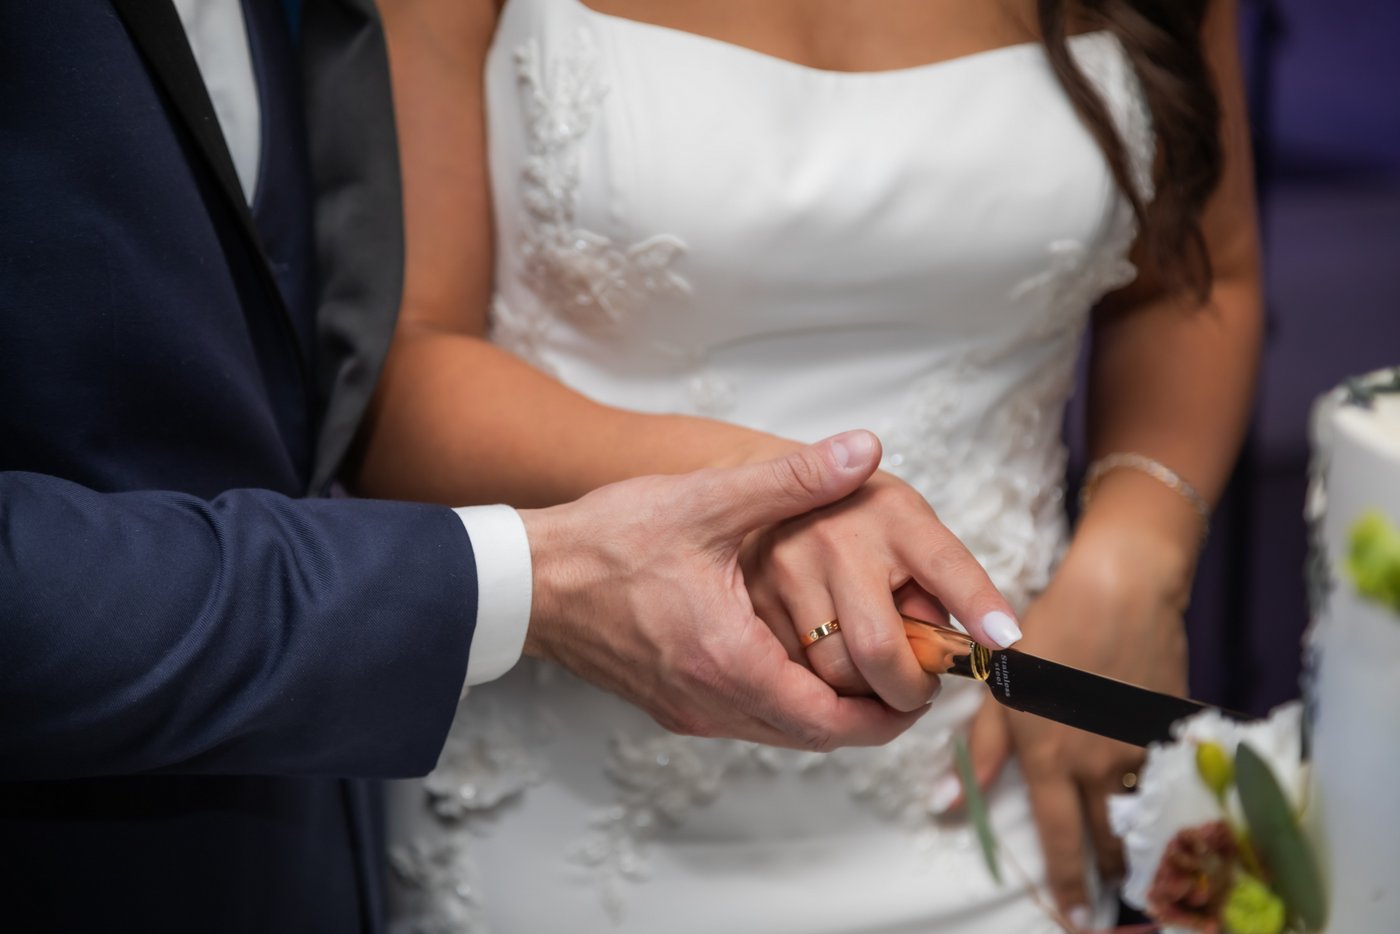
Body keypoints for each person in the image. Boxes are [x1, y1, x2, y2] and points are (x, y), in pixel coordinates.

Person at [0, 2, 1015, 931]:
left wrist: (1141, 535)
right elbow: (387, 368)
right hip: (545, 800)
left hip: (999, 782)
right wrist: (732, 500)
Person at [370, 0, 1263, 931]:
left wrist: (1136, 558)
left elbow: (1201, 280)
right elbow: (400, 370)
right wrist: (756, 490)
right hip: (569, 807)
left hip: (994, 769)